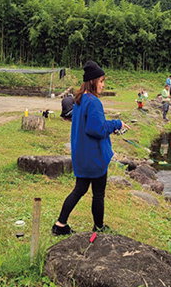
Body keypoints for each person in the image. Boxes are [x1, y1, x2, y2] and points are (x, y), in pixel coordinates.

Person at [52, 61, 130, 235]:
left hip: (82, 155)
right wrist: (117, 123)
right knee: (98, 194)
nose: (102, 85)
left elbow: (91, 125)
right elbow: (97, 129)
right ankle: (99, 227)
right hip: (94, 157)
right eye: (101, 81)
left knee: (79, 189)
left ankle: (60, 224)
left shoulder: (79, 99)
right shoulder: (93, 102)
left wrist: (110, 127)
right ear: (93, 81)